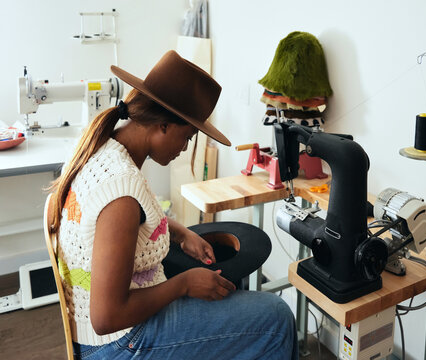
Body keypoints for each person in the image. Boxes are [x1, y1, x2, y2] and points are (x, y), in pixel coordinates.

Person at [47, 50, 298, 359]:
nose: (185, 147)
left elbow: (129, 224)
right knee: (276, 317)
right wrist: (183, 285)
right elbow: (106, 317)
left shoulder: (106, 148)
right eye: (188, 136)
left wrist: (180, 233)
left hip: (110, 334)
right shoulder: (120, 192)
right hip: (119, 343)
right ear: (164, 124)